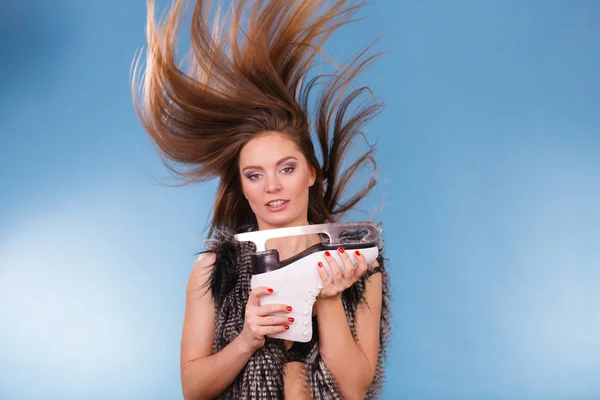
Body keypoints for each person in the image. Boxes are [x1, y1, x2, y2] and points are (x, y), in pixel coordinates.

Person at [131, 0, 391, 398]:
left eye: (286, 168)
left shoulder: (357, 266)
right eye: (255, 175)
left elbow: (355, 389)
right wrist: (246, 339)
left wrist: (329, 299)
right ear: (242, 185)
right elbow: (193, 389)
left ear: (311, 173)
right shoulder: (213, 269)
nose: (272, 186)